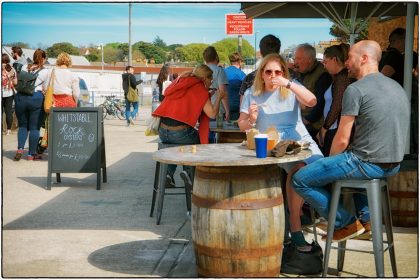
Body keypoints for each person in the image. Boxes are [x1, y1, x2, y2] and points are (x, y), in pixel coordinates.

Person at [292, 40, 410, 242]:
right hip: (393, 165)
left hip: (367, 163)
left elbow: (342, 138)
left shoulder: (356, 89)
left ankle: (344, 222)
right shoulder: (396, 87)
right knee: (348, 170)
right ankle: (366, 221)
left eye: (350, 57)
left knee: (300, 179)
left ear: (364, 59)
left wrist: (326, 166)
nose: (346, 62)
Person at [238, 53, 323, 250]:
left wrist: (287, 83)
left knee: (313, 169)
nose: (273, 75)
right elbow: (241, 125)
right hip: (270, 141)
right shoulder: (253, 92)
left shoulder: (290, 88)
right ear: (261, 74)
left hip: (298, 138)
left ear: (284, 72)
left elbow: (312, 101)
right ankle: (294, 224)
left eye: (278, 71)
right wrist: (250, 119)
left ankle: (300, 216)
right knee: (295, 172)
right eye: (268, 71)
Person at [153, 64, 224, 188]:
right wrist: (219, 97)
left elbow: (187, 99)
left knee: (175, 147)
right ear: (204, 78)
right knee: (195, 142)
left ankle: (168, 175)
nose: (211, 82)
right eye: (210, 79)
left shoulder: (181, 81)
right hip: (179, 133)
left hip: (162, 132)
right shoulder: (200, 88)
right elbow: (212, 114)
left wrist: (207, 96)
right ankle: (189, 172)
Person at [14, 48, 49, 161]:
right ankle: (31, 154)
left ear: (33, 57)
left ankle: (20, 149)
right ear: (43, 59)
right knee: (34, 128)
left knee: (23, 126)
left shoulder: (25, 67)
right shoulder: (45, 71)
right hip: (36, 99)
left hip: (21, 98)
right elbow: (47, 89)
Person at [293, 43, 332, 142]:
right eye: (295, 59)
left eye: (298, 59)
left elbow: (321, 102)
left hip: (313, 127)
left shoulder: (322, 75)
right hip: (301, 122)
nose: (295, 62)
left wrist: (307, 120)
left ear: (310, 59)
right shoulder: (301, 71)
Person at [317, 43, 351, 156]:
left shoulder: (342, 79)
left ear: (335, 59)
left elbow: (337, 105)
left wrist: (324, 128)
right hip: (333, 128)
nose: (324, 66)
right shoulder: (340, 77)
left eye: (326, 62)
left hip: (334, 130)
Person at [239, 34, 281, 104]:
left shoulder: (250, 78)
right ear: (279, 51)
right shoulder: (292, 77)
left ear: (261, 52)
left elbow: (242, 106)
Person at [202, 46, 229, 122]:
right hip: (217, 109)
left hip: (203, 108)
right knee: (217, 132)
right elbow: (222, 92)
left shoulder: (201, 70)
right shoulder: (219, 71)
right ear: (216, 57)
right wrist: (227, 110)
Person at [224, 52, 246, 121]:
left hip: (222, 107)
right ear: (239, 61)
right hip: (236, 107)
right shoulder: (242, 75)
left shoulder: (222, 72)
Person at [2, 54, 18, 135]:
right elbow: (15, 82)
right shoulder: (12, 69)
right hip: (9, 93)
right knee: (8, 112)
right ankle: (8, 130)